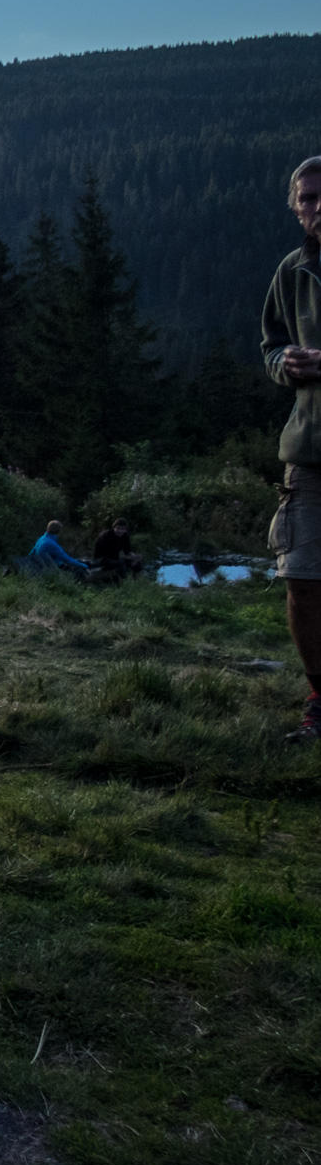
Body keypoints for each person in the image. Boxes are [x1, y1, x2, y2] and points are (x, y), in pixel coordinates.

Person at [262, 155, 321, 741]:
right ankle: (319, 698)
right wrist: (286, 363)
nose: (316, 206)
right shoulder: (292, 271)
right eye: (306, 198)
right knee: (302, 579)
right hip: (309, 449)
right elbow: (271, 345)